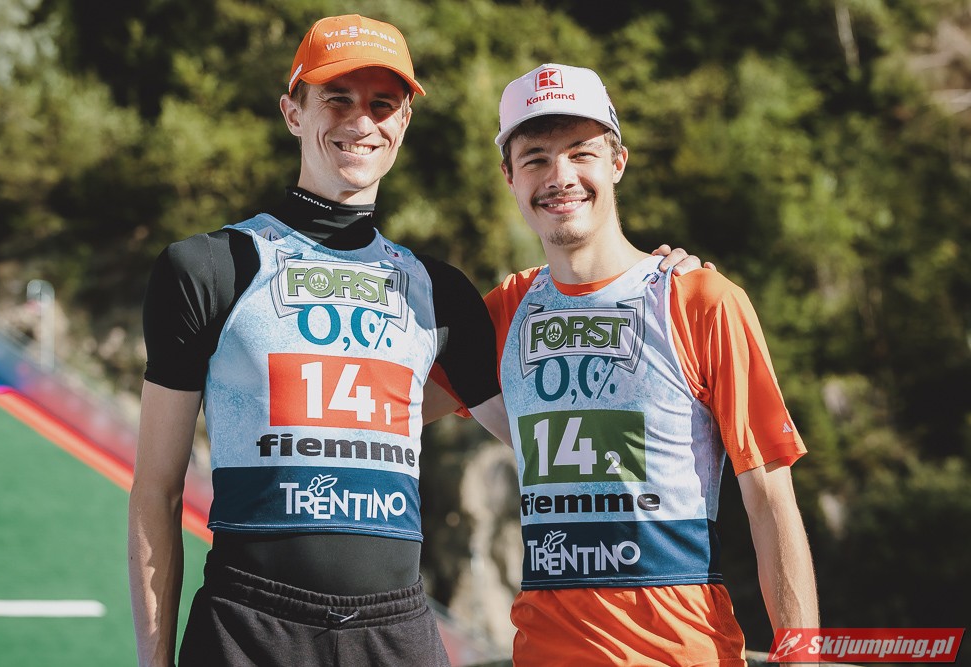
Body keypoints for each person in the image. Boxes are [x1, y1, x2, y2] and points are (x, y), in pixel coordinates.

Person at [126, 14, 512, 667]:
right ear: (292, 112)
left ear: (403, 124)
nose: (361, 120)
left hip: (395, 633)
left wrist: (649, 283)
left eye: (382, 104)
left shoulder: (441, 292)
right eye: (337, 98)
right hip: (247, 628)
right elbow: (156, 490)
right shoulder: (208, 267)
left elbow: (546, 441)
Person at [484, 63, 820, 666]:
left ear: (618, 162)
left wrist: (802, 659)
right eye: (535, 158)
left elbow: (771, 503)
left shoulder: (701, 299)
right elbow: (385, 402)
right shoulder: (504, 311)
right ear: (509, 176)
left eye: (581, 153)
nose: (560, 176)